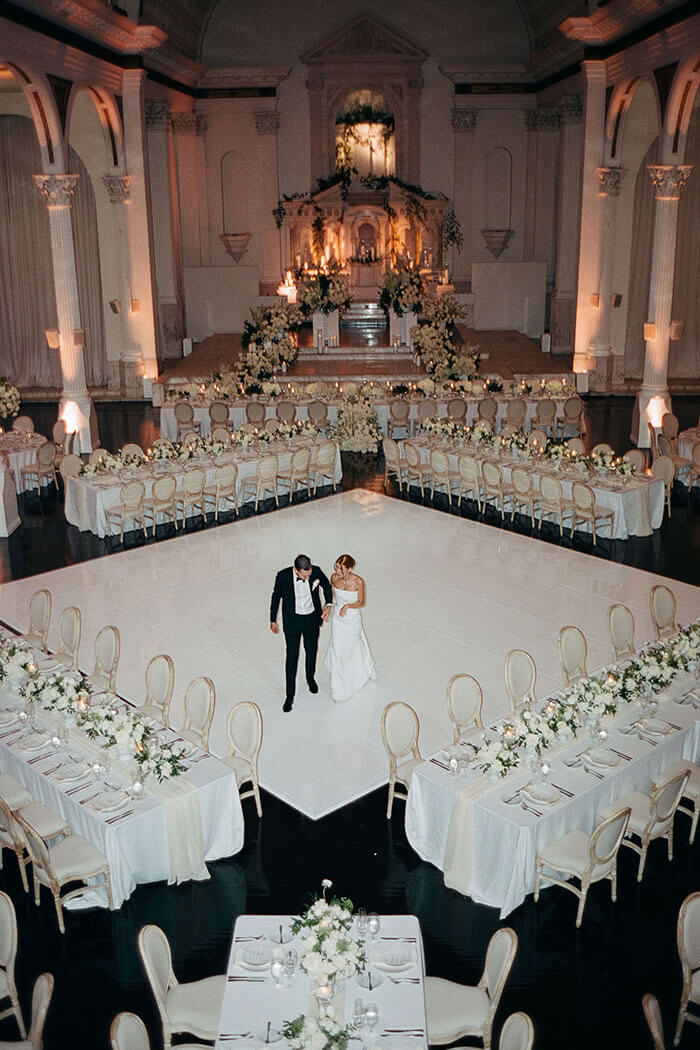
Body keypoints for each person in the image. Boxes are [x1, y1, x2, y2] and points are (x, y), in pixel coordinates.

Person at [270, 553, 332, 712]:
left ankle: (310, 678)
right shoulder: (283, 576)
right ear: (296, 570)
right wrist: (273, 619)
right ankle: (289, 696)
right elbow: (276, 597)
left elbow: (326, 585)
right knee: (291, 657)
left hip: (311, 619)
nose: (308, 578)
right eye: (304, 576)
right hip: (293, 622)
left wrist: (328, 604)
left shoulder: (316, 571)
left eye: (309, 575)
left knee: (311, 651)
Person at [324, 554, 376, 702]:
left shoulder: (358, 581)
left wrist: (348, 605)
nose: (337, 571)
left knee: (351, 649)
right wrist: (327, 607)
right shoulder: (334, 578)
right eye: (336, 567)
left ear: (350, 568)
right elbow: (331, 597)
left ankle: (357, 674)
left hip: (352, 620)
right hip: (338, 620)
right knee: (338, 649)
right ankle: (338, 689)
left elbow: (361, 602)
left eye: (340, 568)